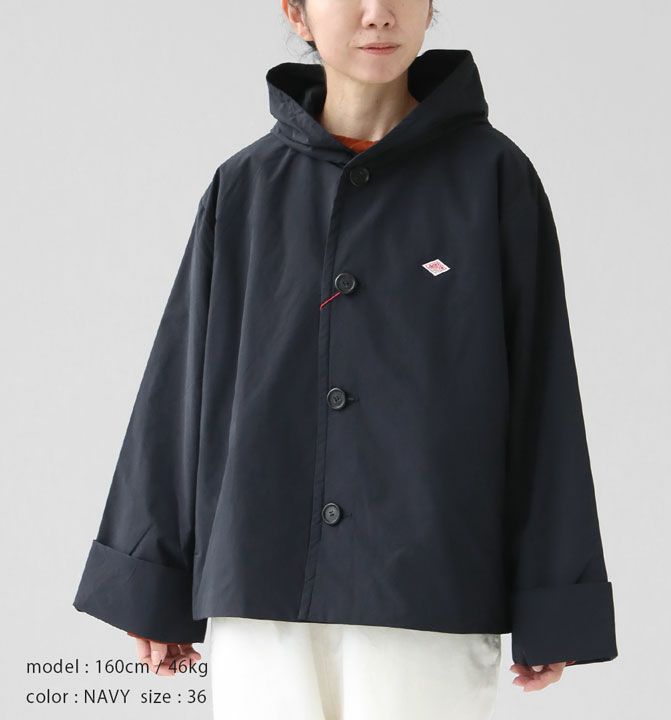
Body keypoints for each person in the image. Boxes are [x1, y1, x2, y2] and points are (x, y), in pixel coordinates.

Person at [73, 1, 618, 718]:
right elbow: (181, 386)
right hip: (260, 583)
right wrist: (154, 581)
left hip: (427, 590)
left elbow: (543, 393)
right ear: (297, 13)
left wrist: (553, 596)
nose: (377, 14)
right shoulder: (245, 188)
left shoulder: (494, 178)